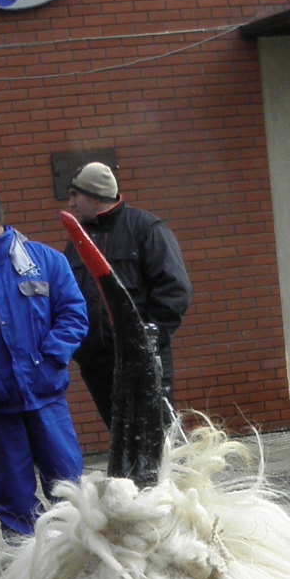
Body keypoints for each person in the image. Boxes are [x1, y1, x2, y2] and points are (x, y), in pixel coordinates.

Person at [0, 185, 89, 547]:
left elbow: (73, 314)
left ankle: (75, 554)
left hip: (46, 397)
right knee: (12, 495)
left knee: (68, 487)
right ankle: (23, 567)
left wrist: (51, 360)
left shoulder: (46, 261)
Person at [63, 162, 191, 425]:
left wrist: (147, 340)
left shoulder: (146, 229)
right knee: (120, 436)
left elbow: (175, 289)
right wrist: (81, 349)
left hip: (143, 359)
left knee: (157, 436)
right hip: (97, 363)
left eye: (75, 195)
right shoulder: (78, 241)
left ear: (94, 195)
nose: (71, 203)